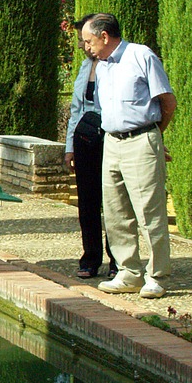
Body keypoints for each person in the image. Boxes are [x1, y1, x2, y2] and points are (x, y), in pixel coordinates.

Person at [81, 14, 176, 298]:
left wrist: (154, 137)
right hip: (111, 142)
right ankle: (128, 272)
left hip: (141, 139)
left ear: (104, 36)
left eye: (89, 41)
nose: (86, 47)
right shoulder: (102, 66)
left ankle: (156, 275)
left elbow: (167, 100)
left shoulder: (141, 56)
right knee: (115, 211)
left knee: (149, 211)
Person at [64, 15, 116, 279]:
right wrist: (69, 146)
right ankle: (90, 258)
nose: (85, 46)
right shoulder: (86, 67)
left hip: (110, 136)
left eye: (87, 40)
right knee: (88, 201)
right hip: (85, 137)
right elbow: (76, 109)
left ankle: (117, 259)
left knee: (115, 200)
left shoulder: (117, 65)